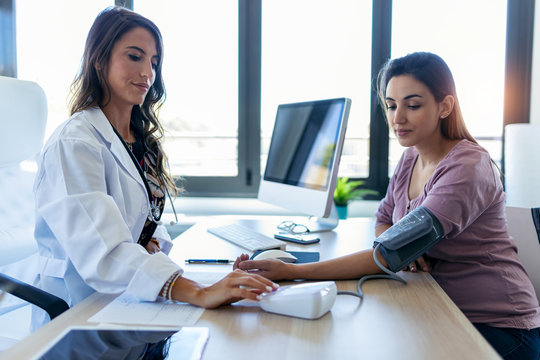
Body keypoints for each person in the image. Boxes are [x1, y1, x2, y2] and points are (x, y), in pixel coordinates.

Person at [234, 52, 540, 359]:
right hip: (439, 306)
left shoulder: (468, 167)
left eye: (413, 105)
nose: (397, 118)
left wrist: (293, 272)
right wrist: (403, 247)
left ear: (445, 106)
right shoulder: (411, 157)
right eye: (391, 105)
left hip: (497, 327)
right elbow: (383, 219)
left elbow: (387, 252)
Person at [31, 6, 277, 331]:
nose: (148, 72)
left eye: (154, 62)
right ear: (99, 59)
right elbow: (104, 253)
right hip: (80, 309)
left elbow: (147, 222)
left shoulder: (140, 140)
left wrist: (152, 245)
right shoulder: (74, 143)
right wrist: (199, 291)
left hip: (132, 299)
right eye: (135, 57)